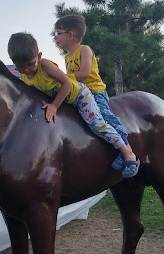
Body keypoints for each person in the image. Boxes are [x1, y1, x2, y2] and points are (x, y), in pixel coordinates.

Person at [8, 32, 139, 178]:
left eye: (30, 64)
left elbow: (67, 83)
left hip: (80, 96)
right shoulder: (25, 77)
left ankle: (127, 152)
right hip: (65, 100)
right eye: (21, 67)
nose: (27, 69)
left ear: (38, 56)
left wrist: (54, 106)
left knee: (97, 124)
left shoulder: (45, 66)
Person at [53, 14, 140, 177]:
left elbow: (85, 73)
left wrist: (62, 77)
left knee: (105, 119)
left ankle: (127, 152)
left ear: (71, 34)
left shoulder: (84, 49)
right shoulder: (66, 57)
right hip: (78, 93)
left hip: (94, 91)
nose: (55, 37)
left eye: (58, 33)